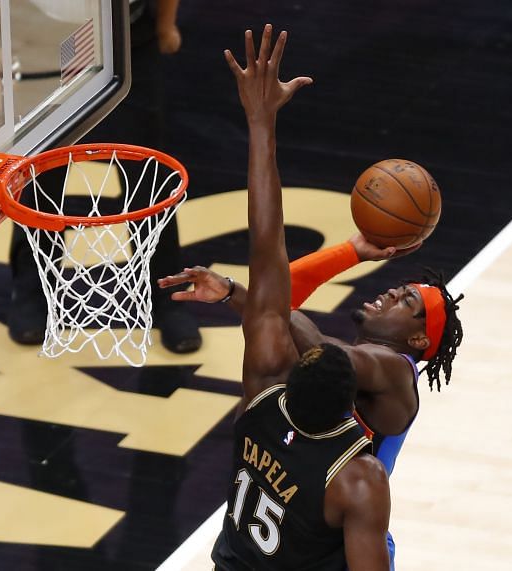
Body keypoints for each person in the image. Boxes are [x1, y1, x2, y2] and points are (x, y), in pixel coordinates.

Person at [160, 131, 464, 571]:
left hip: (342, 535)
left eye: (408, 303)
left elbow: (290, 317)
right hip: (297, 511)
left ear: (419, 341)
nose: (393, 291)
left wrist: (245, 293)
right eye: (400, 288)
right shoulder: (328, 378)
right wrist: (239, 292)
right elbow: (279, 307)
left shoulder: (396, 372)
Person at [207, 25, 391, 570]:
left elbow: (266, 247)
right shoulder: (357, 479)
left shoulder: (262, 393)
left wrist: (260, 121)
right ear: (353, 411)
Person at [7, 0, 202, 354]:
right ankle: (32, 291)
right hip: (49, 43)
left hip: (127, 41)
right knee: (41, 173)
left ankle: (168, 297)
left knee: (148, 176)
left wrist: (165, 26)